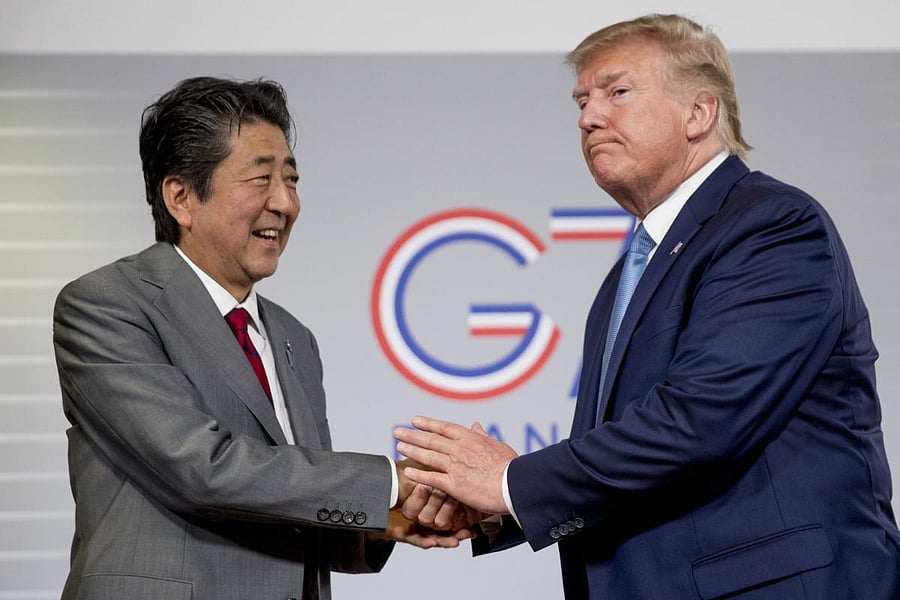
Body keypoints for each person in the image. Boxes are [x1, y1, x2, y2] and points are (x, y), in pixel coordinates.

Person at [394, 13, 900, 599]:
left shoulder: (773, 227)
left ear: (698, 112)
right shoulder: (634, 269)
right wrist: (495, 508)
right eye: (581, 100)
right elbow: (635, 462)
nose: (589, 117)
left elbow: (701, 422)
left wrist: (510, 482)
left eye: (617, 92)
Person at [53, 76, 469, 600]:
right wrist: (390, 482)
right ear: (181, 197)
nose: (286, 204)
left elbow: (288, 501)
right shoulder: (106, 305)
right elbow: (200, 469)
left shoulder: (294, 337)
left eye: (291, 180)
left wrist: (389, 519)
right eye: (261, 179)